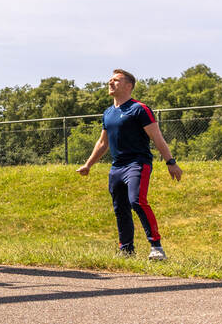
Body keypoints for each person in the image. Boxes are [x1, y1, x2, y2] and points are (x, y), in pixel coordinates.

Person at [78, 68, 182, 260]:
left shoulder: (139, 109)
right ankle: (126, 251)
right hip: (116, 167)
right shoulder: (108, 113)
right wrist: (88, 165)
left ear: (128, 86)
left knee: (137, 201)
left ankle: (156, 248)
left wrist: (171, 162)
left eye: (116, 80)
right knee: (120, 208)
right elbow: (103, 143)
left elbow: (157, 136)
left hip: (137, 164)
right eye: (110, 80)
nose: (110, 83)